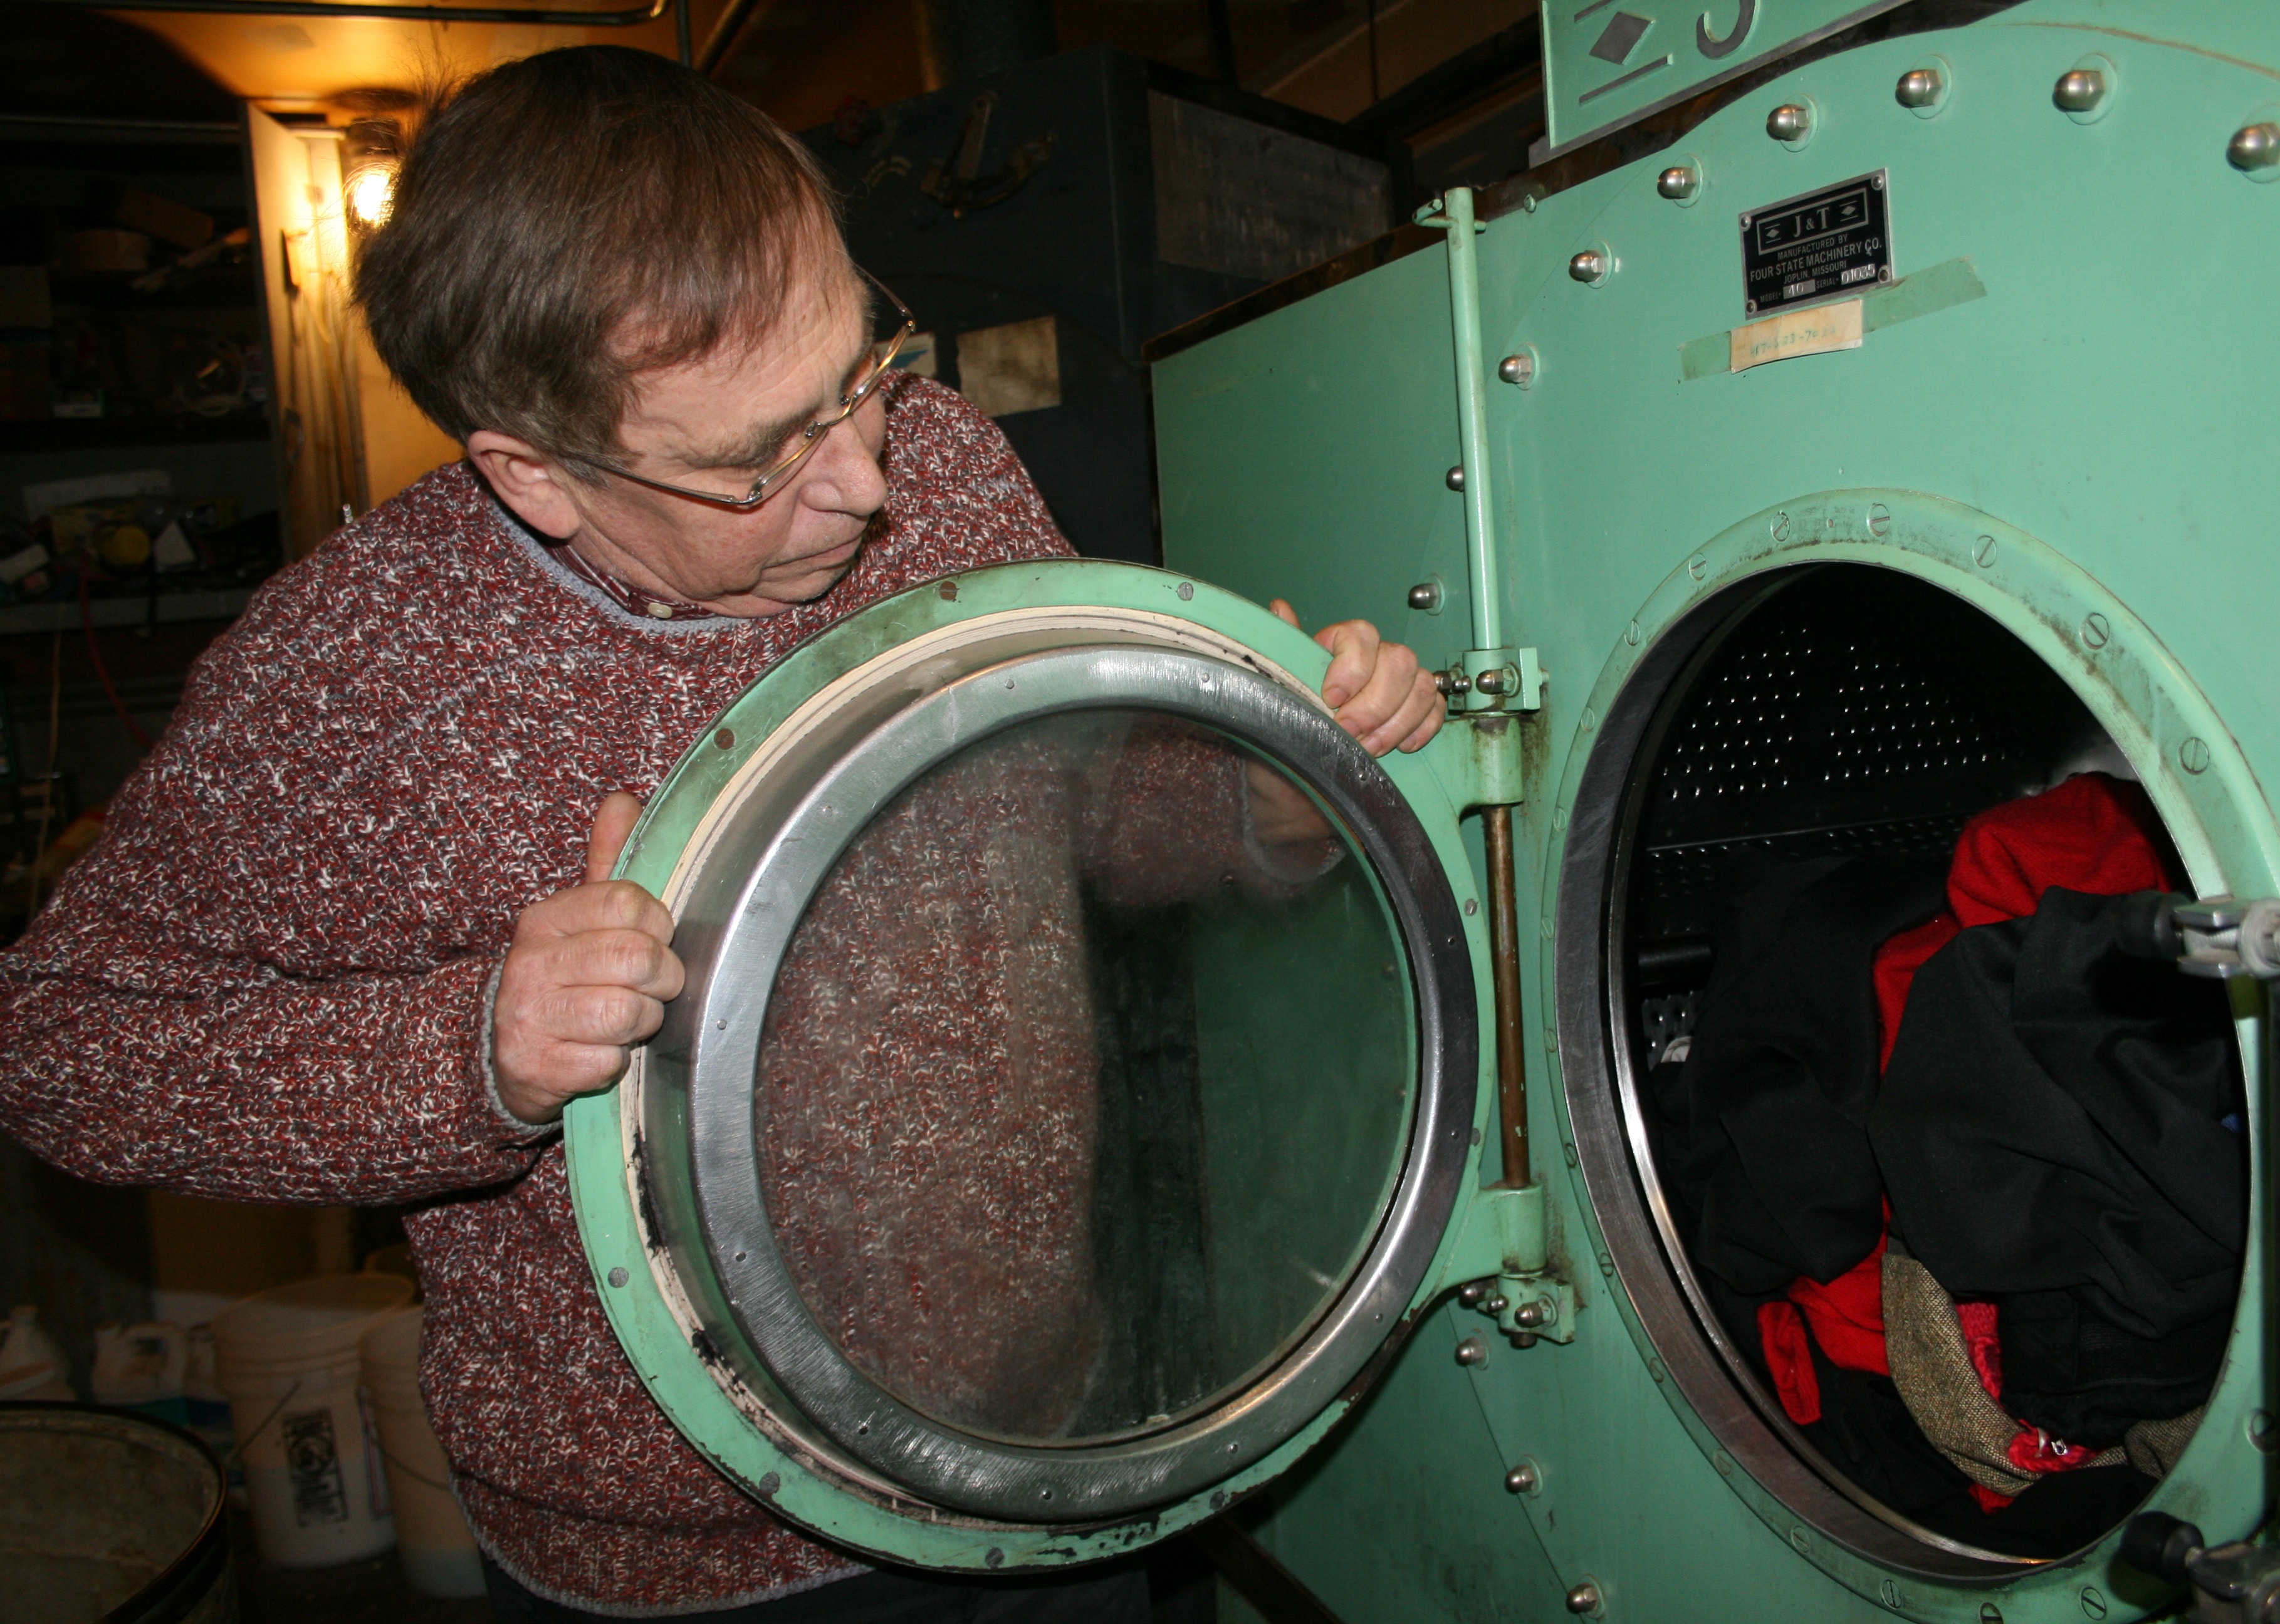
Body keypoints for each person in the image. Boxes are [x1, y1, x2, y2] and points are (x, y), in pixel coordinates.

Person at [0, 46, 1443, 1621]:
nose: (863, 484)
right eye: (759, 458)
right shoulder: (354, 683)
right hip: (698, 1565)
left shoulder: (947, 467)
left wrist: (1265, 801)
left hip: (1058, 1446)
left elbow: (1082, 812)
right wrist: (469, 1047)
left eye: (863, 374)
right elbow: (66, 1051)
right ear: (533, 474)